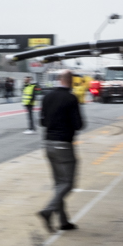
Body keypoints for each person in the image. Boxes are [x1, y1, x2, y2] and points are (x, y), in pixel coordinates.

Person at [38, 69, 85, 232]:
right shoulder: (71, 98)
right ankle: (47, 211)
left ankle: (64, 221)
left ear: (58, 80)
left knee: (59, 184)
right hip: (64, 145)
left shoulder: (47, 97)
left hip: (48, 144)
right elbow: (79, 124)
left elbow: (42, 122)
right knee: (68, 183)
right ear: (70, 80)